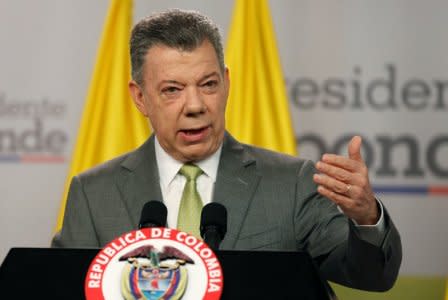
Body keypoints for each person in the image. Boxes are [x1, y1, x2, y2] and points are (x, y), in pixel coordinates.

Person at [52, 9, 402, 291]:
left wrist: (366, 217)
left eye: (208, 85)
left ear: (227, 83)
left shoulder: (292, 183)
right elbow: (59, 289)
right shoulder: (93, 193)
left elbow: (371, 277)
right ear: (140, 97)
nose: (195, 105)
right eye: (172, 89)